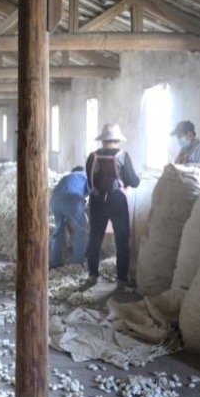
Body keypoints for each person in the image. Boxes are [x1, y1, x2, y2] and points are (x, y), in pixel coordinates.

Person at [85, 123, 140, 289]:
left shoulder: (92, 156)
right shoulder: (122, 156)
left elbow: (89, 180)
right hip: (116, 199)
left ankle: (93, 274)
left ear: (103, 140)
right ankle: (121, 278)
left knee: (95, 237)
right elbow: (133, 181)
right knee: (121, 239)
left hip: (96, 199)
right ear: (118, 139)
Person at [49, 165, 89, 269]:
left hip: (54, 200)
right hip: (71, 198)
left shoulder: (68, 177)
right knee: (81, 231)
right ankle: (77, 264)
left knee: (58, 230)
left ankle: (55, 262)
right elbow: (91, 192)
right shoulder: (86, 175)